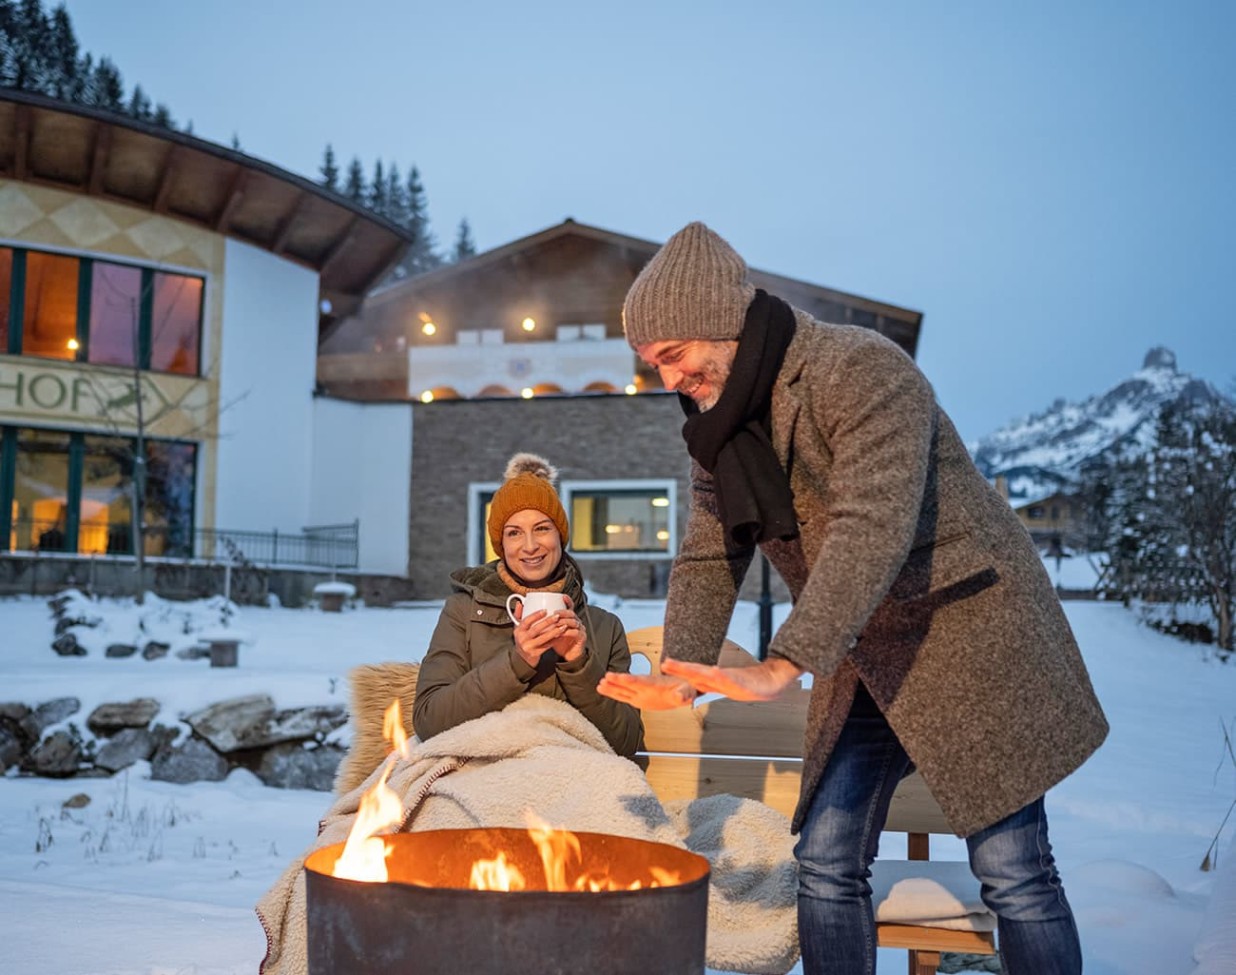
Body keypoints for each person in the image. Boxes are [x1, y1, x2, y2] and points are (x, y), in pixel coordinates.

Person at [597, 222, 1108, 974]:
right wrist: (681, 666)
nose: (666, 378)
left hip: (960, 630)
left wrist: (787, 659)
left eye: (671, 356)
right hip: (866, 647)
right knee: (829, 857)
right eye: (650, 363)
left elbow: (875, 522)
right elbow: (708, 553)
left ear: (722, 323)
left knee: (1013, 867)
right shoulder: (717, 430)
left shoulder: (858, 369)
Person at [413, 452, 644, 758]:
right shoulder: (464, 612)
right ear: (501, 544)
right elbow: (429, 721)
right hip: (483, 774)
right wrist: (517, 661)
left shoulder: (604, 627)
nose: (530, 546)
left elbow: (626, 743)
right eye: (514, 533)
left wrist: (577, 662)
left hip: (570, 782)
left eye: (542, 528)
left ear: (560, 536)